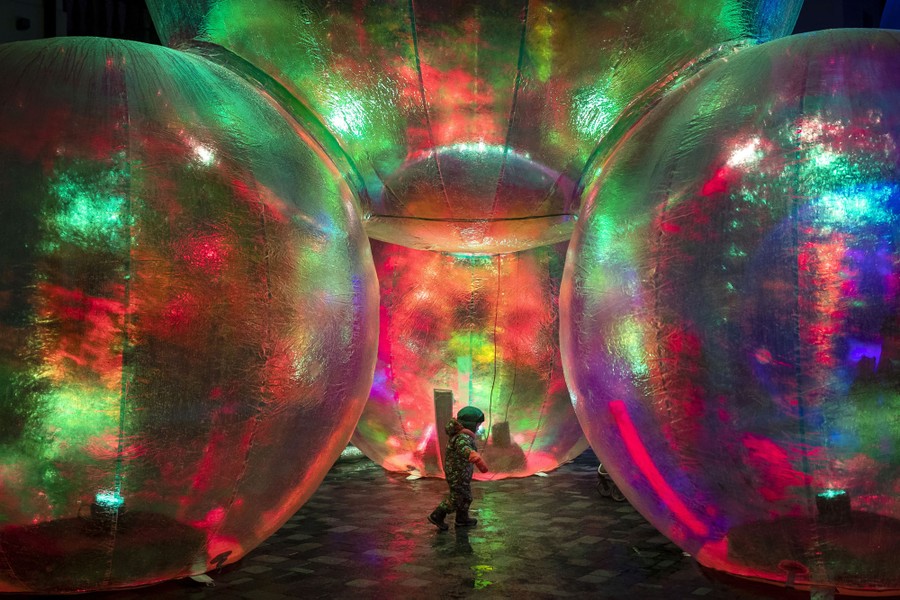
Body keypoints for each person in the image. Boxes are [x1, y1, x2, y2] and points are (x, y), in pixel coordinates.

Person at [428, 406, 489, 531]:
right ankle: (437, 515)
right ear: (471, 424)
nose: (478, 428)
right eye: (477, 425)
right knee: (456, 498)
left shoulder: (462, 435)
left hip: (461, 473)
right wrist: (473, 455)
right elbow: (464, 448)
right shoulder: (462, 437)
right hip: (457, 474)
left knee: (465, 496)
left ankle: (462, 519)